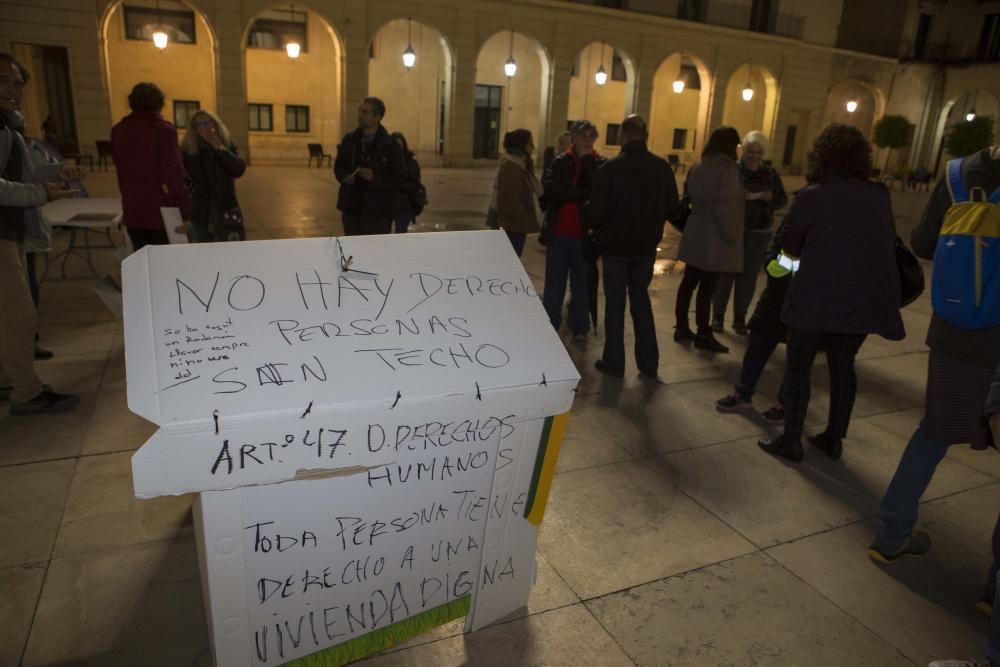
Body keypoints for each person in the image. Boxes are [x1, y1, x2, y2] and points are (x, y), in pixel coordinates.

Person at [869, 145, 1000, 583]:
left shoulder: (957, 174)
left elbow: (925, 243)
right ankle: (994, 590)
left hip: (956, 332)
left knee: (933, 434)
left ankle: (890, 536)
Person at [758, 124, 903, 463]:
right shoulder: (879, 195)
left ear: (821, 156)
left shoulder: (813, 196)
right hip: (861, 303)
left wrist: (775, 270)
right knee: (843, 367)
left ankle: (792, 439)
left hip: (814, 302)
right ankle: (834, 438)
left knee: (798, 368)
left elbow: (788, 253)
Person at [0, 52, 82, 415]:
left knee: (12, 312)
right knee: (19, 314)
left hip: (13, 231)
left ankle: (9, 379)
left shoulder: (9, 126)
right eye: (6, 80)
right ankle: (26, 392)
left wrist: (54, 175)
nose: (15, 89)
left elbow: (24, 172)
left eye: (18, 82)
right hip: (2, 232)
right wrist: (41, 193)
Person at [584, 115, 680, 378]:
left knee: (614, 305)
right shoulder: (661, 168)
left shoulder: (611, 169)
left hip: (615, 249)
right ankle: (649, 363)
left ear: (622, 137)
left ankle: (614, 362)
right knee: (641, 300)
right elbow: (674, 208)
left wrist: (586, 210)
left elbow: (596, 215)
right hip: (646, 248)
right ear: (645, 136)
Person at [714, 214, 792, 423]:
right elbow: (775, 252)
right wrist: (774, 260)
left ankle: (786, 404)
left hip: (804, 298)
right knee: (758, 344)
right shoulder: (802, 208)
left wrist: (781, 263)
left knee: (797, 358)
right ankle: (743, 393)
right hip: (776, 296)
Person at [674, 126, 744, 353]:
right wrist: (731, 235)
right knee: (707, 287)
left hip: (696, 228)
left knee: (689, 282)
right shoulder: (728, 169)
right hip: (714, 234)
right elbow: (726, 206)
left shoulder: (699, 164)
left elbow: (689, 195)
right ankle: (704, 332)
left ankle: (682, 327)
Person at [712, 131, 787, 334]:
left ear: (763, 154)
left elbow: (782, 200)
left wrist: (768, 198)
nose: (754, 155)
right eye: (750, 151)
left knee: (748, 277)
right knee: (726, 274)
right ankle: (717, 316)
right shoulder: (734, 171)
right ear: (743, 150)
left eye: (758, 152)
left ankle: (739, 317)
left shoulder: (770, 174)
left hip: (759, 232)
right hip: (733, 231)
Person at [541, 120, 606, 340]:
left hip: (584, 236)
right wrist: (581, 194)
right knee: (554, 283)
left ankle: (580, 325)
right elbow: (552, 190)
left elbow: (600, 192)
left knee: (582, 283)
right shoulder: (560, 161)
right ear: (573, 138)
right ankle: (550, 323)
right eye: (582, 136)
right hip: (559, 233)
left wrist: (587, 162)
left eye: (591, 136)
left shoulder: (600, 162)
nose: (587, 140)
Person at [111, 82, 192, 251]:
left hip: (133, 210)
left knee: (145, 263)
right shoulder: (163, 131)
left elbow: (121, 173)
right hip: (161, 213)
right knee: (168, 266)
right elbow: (173, 175)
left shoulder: (119, 130)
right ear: (159, 104)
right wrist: (185, 212)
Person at [333, 97, 405, 236]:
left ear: (377, 117)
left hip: (378, 214)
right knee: (353, 252)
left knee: (375, 254)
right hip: (352, 211)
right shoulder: (349, 140)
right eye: (359, 110)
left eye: (365, 112)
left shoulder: (391, 145)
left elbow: (399, 178)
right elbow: (339, 166)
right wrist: (344, 177)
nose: (359, 115)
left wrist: (374, 177)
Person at [181, 110, 246, 243]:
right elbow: (184, 184)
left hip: (226, 210)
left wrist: (219, 148)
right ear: (194, 129)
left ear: (216, 125)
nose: (205, 127)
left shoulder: (227, 146)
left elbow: (238, 170)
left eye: (208, 122)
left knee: (230, 254)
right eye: (200, 124)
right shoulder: (187, 151)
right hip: (200, 213)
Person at [493, 129, 542, 256]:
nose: (533, 147)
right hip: (512, 227)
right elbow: (509, 201)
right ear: (522, 146)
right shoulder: (512, 167)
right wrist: (526, 216)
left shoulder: (518, 164)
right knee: (509, 263)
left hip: (514, 226)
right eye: (530, 144)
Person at [390, 132, 422, 234]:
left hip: (404, 204)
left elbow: (414, 184)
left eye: (399, 146)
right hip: (387, 203)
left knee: (401, 232)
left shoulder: (411, 163)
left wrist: (396, 183)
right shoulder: (385, 162)